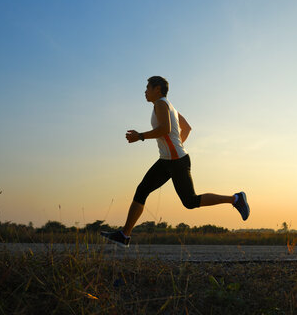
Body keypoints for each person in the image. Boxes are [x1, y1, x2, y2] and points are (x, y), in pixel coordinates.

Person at [101, 76, 249, 248]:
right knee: (142, 190)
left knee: (190, 201)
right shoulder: (170, 106)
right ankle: (124, 235)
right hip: (167, 161)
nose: (145, 91)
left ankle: (236, 199)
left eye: (147, 87)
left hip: (177, 162)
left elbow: (165, 129)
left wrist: (140, 136)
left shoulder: (161, 104)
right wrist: (175, 146)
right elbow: (186, 128)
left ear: (157, 89)